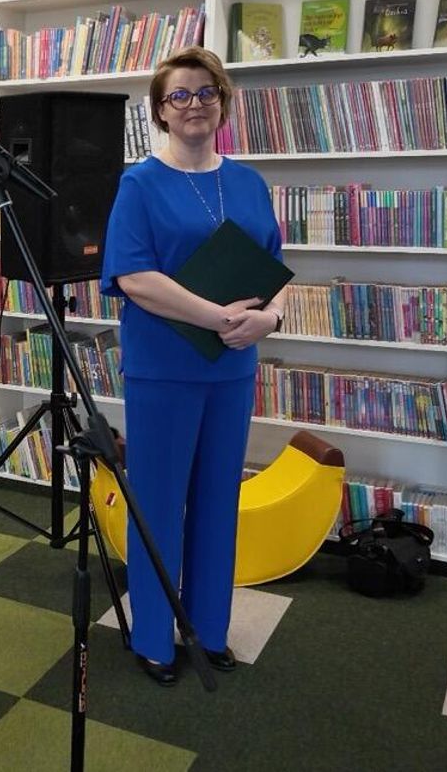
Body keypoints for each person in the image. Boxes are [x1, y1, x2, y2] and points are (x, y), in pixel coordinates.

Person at [99, 46, 286, 687]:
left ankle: (208, 628)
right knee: (158, 503)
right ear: (160, 111)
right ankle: (154, 635)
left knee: (216, 502)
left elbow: (275, 271)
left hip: (232, 368)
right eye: (178, 95)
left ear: (223, 102)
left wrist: (270, 319)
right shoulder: (139, 184)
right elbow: (134, 276)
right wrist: (218, 317)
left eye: (207, 92)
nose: (194, 104)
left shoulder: (250, 182)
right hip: (164, 370)